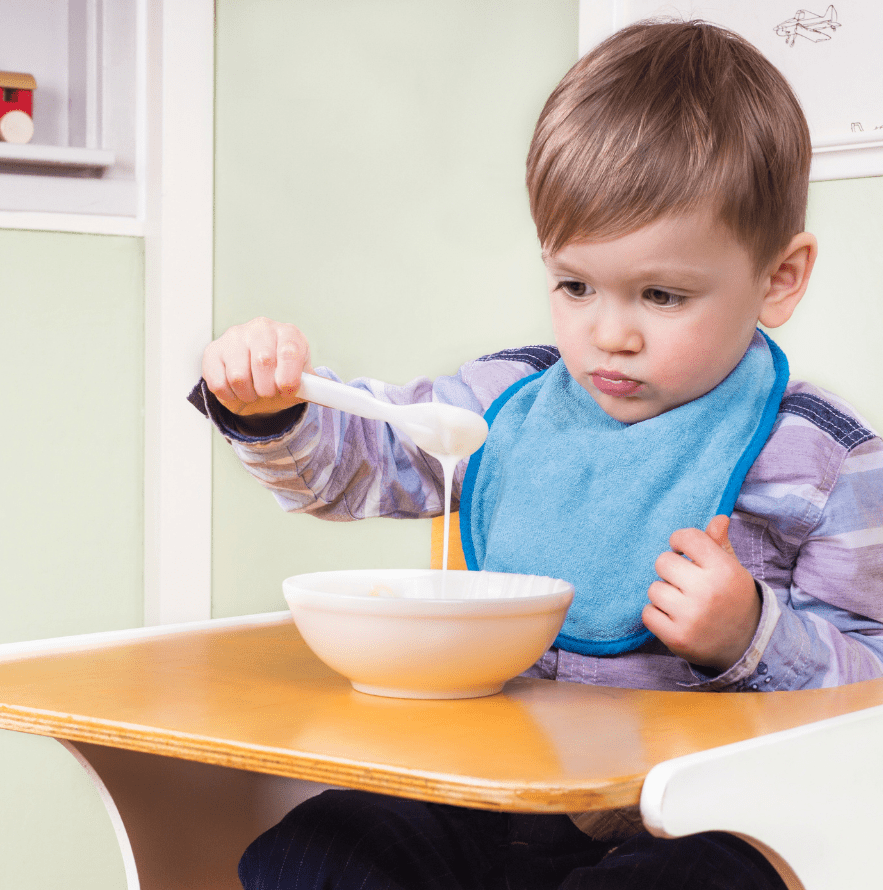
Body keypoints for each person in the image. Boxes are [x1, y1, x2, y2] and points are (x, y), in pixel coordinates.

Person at [190, 19, 883, 890]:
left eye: (662, 294)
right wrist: (269, 405)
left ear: (779, 279)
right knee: (308, 853)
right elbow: (363, 453)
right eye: (574, 285)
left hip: (697, 818)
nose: (608, 335)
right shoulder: (503, 405)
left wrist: (750, 634)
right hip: (494, 797)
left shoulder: (822, 461)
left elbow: (870, 697)